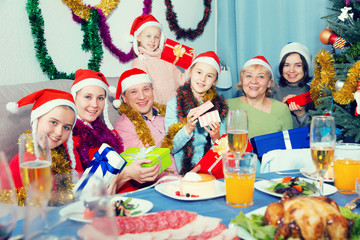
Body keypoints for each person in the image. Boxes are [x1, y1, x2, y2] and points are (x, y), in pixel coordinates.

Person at [111, 68, 179, 192]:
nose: (141, 97)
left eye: (146, 89)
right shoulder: (123, 127)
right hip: (163, 186)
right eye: (133, 92)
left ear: (152, 91)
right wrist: (181, 180)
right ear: (124, 98)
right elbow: (147, 167)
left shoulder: (169, 113)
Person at [163, 51, 228, 175]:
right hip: (186, 173)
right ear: (190, 72)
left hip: (212, 170)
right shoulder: (173, 104)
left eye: (209, 76)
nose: (202, 79)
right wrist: (188, 128)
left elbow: (224, 150)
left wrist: (216, 137)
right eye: (199, 72)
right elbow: (171, 146)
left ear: (215, 81)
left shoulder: (219, 106)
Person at [6, 89, 82, 190]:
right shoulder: (21, 163)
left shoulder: (71, 155)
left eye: (66, 127)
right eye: (54, 122)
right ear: (36, 122)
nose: (59, 132)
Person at [227, 56, 293, 139]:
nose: (254, 81)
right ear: (242, 80)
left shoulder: (282, 109)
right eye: (249, 76)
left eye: (261, 76)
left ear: (269, 83)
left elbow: (289, 146)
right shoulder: (227, 105)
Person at [71, 69, 124, 171]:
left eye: (100, 98)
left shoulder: (106, 131)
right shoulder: (69, 135)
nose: (95, 105)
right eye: (88, 97)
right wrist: (126, 175)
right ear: (74, 98)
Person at [130, 14, 188, 104]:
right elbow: (144, 90)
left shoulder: (167, 60)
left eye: (156, 37)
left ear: (160, 39)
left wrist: (191, 67)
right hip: (155, 110)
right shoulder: (140, 62)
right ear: (138, 37)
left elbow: (180, 81)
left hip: (174, 109)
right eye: (148, 36)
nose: (152, 40)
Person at [272, 42, 313, 128]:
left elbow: (319, 132)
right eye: (286, 65)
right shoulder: (271, 92)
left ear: (305, 67)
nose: (291, 70)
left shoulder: (315, 94)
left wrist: (301, 114)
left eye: (298, 65)